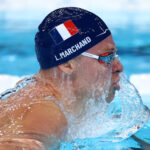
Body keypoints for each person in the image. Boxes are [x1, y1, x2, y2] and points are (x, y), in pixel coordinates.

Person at [0, 7, 124, 149]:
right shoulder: (47, 113)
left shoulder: (62, 102)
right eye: (107, 57)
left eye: (115, 56)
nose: (119, 67)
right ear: (67, 64)